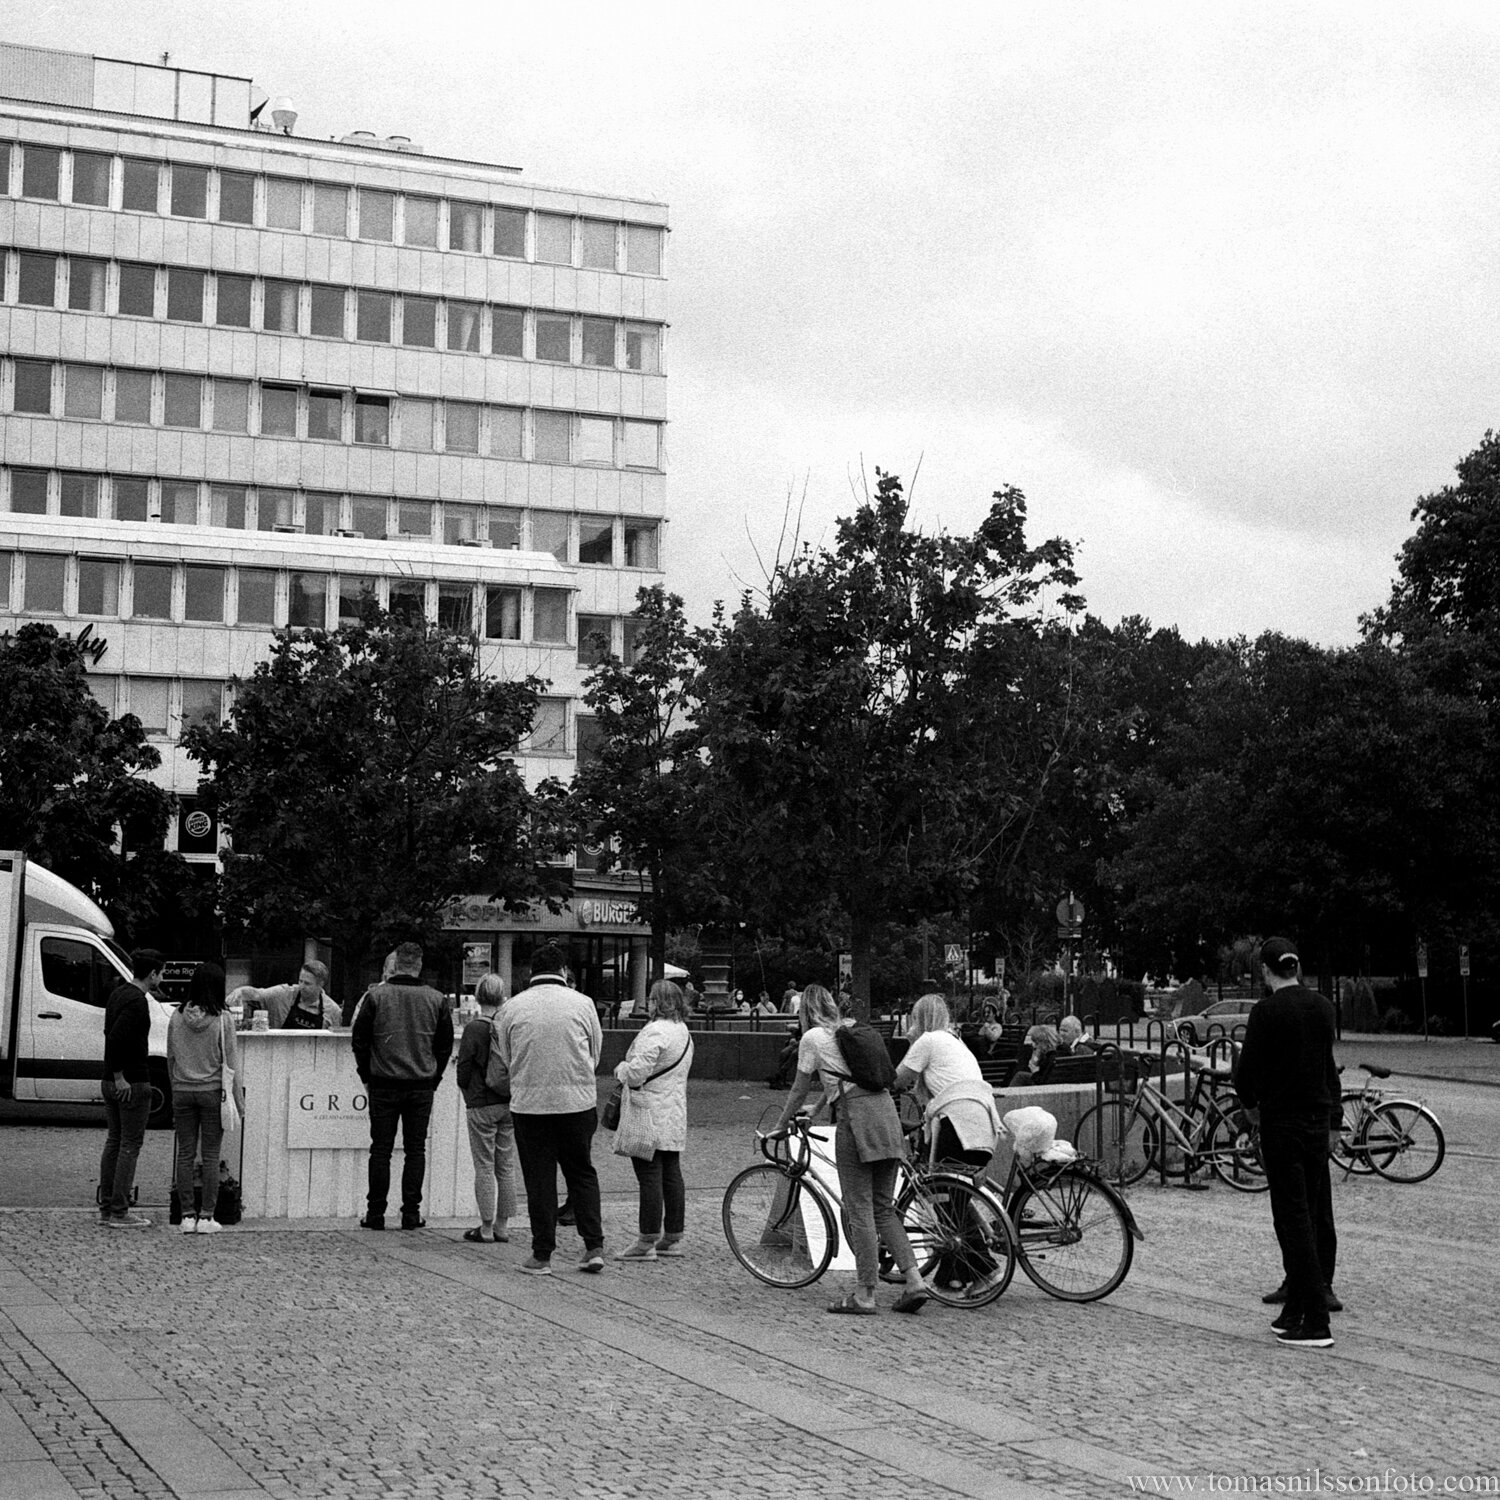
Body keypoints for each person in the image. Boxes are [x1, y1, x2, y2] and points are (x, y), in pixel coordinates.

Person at [770, 984, 928, 1315]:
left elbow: (799, 1087)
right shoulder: (850, 1028)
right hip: (887, 1113)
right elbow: (844, 1078)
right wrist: (816, 1108)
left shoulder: (812, 1038)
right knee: (884, 1207)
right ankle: (914, 1281)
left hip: (856, 1119)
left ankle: (865, 1294)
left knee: (859, 1209)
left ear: (805, 1011)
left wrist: (783, 1124)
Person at [1233, 937, 1341, 1350]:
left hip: (1283, 1123)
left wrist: (1251, 1108)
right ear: (1296, 967)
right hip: (1316, 1123)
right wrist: (1334, 1120)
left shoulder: (1266, 1012)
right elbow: (1328, 1070)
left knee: (1291, 1219)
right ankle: (1295, 1308)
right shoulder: (1322, 1008)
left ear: (1264, 970)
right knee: (1310, 1214)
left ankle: (1314, 1319)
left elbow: (1245, 1074)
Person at [495, 942, 606, 1275]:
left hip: (531, 1105)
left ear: (531, 972)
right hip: (578, 1102)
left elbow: (506, 1055)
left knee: (539, 1179)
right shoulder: (584, 1004)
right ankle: (594, 1247)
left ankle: (542, 1254)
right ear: (563, 971)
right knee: (582, 1172)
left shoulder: (511, 1008)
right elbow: (596, 1053)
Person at [351, 941, 453, 1231]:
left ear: (395, 965)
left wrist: (366, 1076)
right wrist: (435, 1077)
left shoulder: (375, 996)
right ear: (419, 964)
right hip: (421, 1084)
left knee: (380, 1150)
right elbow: (444, 1046)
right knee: (415, 1150)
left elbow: (359, 1041)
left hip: (383, 1082)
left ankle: (375, 1213)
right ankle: (411, 1212)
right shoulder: (436, 999)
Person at [613, 980, 695, 1261]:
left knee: (649, 1175)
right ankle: (673, 1236)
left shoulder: (654, 1031)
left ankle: (646, 1240)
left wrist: (621, 1070)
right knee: (672, 1173)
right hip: (673, 1110)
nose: (648, 1003)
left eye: (651, 998)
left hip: (648, 1110)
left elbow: (637, 1073)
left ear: (660, 1002)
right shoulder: (683, 1031)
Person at [167, 962, 242, 1234]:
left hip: (182, 1091)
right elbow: (231, 1063)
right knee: (210, 1156)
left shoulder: (176, 1016)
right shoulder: (223, 1019)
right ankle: (207, 1217)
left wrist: (176, 1084)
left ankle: (186, 1215)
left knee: (185, 1154)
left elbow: (171, 1056)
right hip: (211, 1093)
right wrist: (239, 1101)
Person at [892, 993, 1001, 1171]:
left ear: (918, 1019)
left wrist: (912, 1042)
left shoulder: (928, 1040)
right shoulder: (956, 1040)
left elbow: (896, 1081)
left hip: (956, 1127)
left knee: (938, 1192)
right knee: (957, 1193)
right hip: (984, 1129)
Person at [98, 948, 164, 1228]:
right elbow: (116, 1037)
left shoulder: (117, 993)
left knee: (114, 1141)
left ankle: (106, 1206)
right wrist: (121, 1075)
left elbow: (107, 1034)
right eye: (161, 973)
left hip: (109, 1081)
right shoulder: (138, 1001)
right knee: (129, 1145)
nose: (161, 978)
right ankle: (120, 1211)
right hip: (132, 1080)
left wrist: (112, 1075)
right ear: (152, 974)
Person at [454, 973, 519, 1244]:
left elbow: (464, 1070)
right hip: (508, 1102)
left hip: (481, 1103)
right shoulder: (510, 1025)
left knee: (484, 1165)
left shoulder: (474, 1028)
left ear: (479, 996)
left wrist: (467, 1091)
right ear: (502, 996)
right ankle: (503, 1226)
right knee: (505, 1166)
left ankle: (486, 1226)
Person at [231, 960, 341, 1031]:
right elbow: (257, 994)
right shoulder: (284, 994)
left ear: (320, 984)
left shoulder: (333, 1010)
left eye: (307, 983)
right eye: (300, 981)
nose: (301, 986)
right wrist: (239, 992)